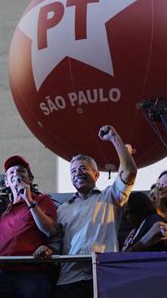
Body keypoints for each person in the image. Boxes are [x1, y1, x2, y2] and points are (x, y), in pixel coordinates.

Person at [51, 125, 137, 298]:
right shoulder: (62, 209)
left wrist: (114, 137)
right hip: (69, 280)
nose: (78, 174)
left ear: (97, 175)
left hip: (103, 275)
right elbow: (55, 241)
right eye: (73, 171)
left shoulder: (109, 198)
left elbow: (129, 172)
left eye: (83, 168)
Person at [0, 155, 58, 298]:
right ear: (7, 183)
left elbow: (51, 230)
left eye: (21, 171)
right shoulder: (5, 213)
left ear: (30, 178)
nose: (16, 174)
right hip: (4, 276)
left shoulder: (42, 200)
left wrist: (28, 200)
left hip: (31, 273)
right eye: (11, 173)